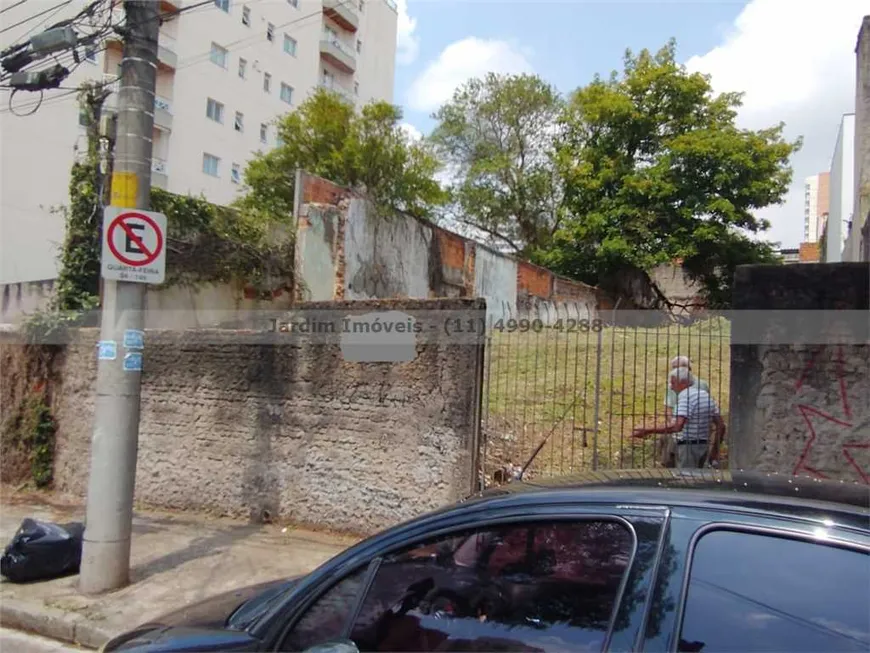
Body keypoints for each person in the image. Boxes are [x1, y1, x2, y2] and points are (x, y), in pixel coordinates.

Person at [634, 367, 725, 469]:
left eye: (673, 383)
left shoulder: (686, 397)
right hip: (703, 445)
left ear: (683, 383)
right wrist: (715, 450)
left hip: (687, 447)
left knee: (686, 479)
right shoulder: (705, 396)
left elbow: (677, 426)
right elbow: (721, 425)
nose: (671, 387)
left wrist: (648, 430)